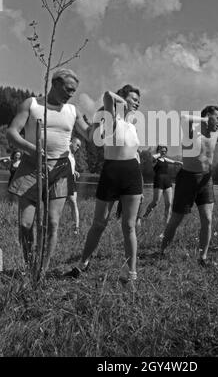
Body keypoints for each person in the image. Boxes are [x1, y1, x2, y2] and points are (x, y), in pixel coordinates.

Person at [7, 69, 93, 272]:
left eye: (74, 91)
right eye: (68, 89)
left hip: (60, 169)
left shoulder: (72, 110)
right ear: (54, 84)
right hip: (31, 167)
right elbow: (11, 132)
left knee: (53, 223)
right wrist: (32, 149)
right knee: (26, 224)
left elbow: (89, 135)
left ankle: (41, 271)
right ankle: (30, 267)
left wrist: (102, 125)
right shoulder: (32, 104)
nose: (71, 94)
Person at [66, 84, 142, 284]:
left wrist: (140, 188)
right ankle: (83, 264)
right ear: (123, 99)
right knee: (99, 224)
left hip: (132, 174)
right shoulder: (111, 117)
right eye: (134, 98)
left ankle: (131, 273)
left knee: (129, 226)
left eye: (138, 100)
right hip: (111, 173)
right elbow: (108, 95)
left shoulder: (132, 125)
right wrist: (122, 101)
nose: (138, 102)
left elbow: (135, 154)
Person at [160, 106, 218, 266]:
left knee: (207, 219)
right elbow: (185, 118)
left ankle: (203, 258)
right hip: (187, 179)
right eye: (217, 118)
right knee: (176, 219)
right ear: (206, 117)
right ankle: (162, 250)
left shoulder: (215, 135)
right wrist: (206, 119)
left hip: (206, 180)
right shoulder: (192, 132)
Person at [143, 145, 182, 228]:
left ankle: (166, 223)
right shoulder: (155, 159)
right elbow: (153, 157)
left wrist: (180, 163)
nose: (164, 152)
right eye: (162, 151)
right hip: (158, 181)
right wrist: (159, 153)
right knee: (155, 202)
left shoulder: (165, 159)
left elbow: (174, 162)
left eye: (165, 151)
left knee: (169, 203)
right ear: (158, 151)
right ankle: (145, 216)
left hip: (167, 181)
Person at [67, 137, 82, 235]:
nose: (78, 148)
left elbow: (70, 165)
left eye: (79, 146)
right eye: (77, 145)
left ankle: (76, 228)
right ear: (71, 143)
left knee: (73, 202)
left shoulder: (72, 155)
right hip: (62, 179)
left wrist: (74, 171)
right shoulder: (65, 150)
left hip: (71, 179)